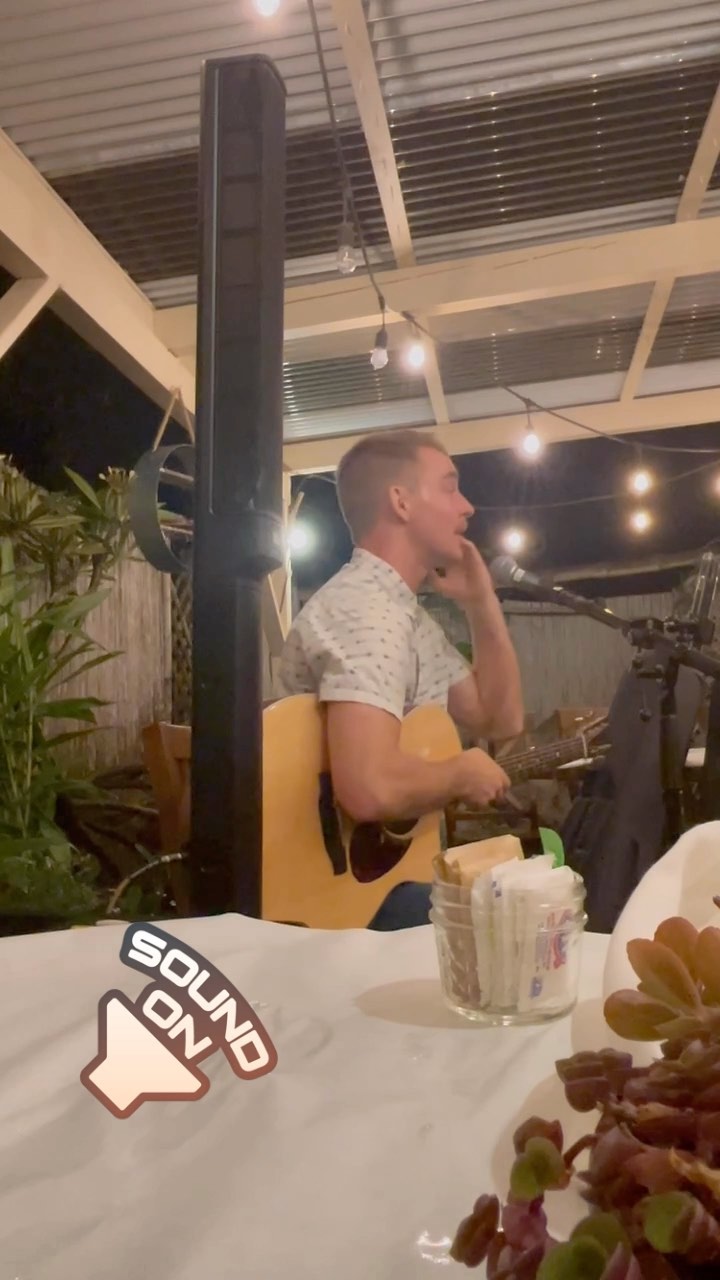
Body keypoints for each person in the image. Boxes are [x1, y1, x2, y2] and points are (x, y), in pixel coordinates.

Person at [278, 429, 524, 928]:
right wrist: (458, 774)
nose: (467, 506)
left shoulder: (404, 616)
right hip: (339, 901)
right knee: (523, 919)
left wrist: (481, 603)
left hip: (385, 879)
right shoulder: (366, 610)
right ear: (401, 502)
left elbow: (498, 719)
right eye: (450, 486)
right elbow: (368, 788)